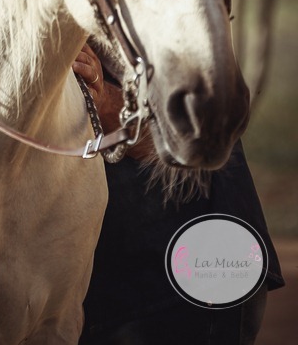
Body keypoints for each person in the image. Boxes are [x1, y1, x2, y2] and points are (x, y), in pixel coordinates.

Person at [72, 45, 284, 345]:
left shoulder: (169, 13)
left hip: (184, 284)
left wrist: (102, 97)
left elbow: (189, 134)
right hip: (119, 288)